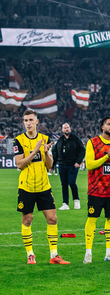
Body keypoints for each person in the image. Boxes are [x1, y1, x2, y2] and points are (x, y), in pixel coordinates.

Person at [14, 110, 69, 265]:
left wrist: (46, 152)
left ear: (37, 121)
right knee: (27, 219)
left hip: (44, 186)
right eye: (26, 120)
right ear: (23, 122)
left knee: (52, 219)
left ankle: (54, 255)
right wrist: (34, 152)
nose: (28, 123)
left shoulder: (45, 139)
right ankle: (30, 255)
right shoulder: (18, 141)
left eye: (31, 119)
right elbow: (19, 165)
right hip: (27, 186)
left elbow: (50, 166)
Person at [83, 117, 110, 263]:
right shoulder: (93, 142)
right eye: (109, 124)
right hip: (96, 189)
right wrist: (107, 157)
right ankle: (88, 253)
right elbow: (89, 164)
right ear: (102, 126)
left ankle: (109, 253)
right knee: (92, 219)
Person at [52, 123, 85, 210]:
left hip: (73, 165)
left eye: (68, 127)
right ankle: (65, 203)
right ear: (62, 130)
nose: (66, 129)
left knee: (72, 182)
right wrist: (52, 165)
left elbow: (82, 150)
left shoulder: (75, 139)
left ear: (70, 129)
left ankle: (76, 200)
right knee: (64, 185)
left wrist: (78, 162)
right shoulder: (60, 140)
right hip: (62, 165)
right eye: (65, 128)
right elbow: (55, 153)